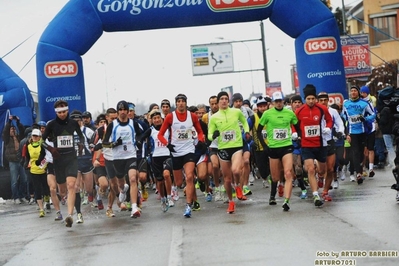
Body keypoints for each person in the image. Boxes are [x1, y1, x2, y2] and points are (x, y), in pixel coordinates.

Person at [158, 93, 205, 218]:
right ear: (176, 103)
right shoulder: (170, 117)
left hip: (189, 150)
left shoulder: (192, 116)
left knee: (190, 177)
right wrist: (167, 145)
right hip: (175, 152)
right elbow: (160, 135)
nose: (180, 103)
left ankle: (189, 205)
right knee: (179, 183)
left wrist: (200, 140)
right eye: (178, 101)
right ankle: (187, 189)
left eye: (182, 101)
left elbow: (200, 131)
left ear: (186, 103)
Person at [41, 100, 85, 227]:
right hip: (58, 160)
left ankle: (70, 215)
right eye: (59, 112)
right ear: (56, 112)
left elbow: (81, 136)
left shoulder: (73, 123)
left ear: (68, 110)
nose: (62, 114)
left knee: (72, 186)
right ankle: (64, 200)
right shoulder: (51, 125)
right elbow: (41, 142)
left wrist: (81, 144)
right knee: (62, 190)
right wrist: (51, 149)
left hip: (71, 158)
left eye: (64, 111)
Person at [208, 91, 251, 214]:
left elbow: (244, 122)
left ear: (229, 101)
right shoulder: (214, 117)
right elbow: (209, 134)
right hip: (223, 148)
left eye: (226, 98)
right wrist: (213, 136)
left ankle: (237, 186)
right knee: (226, 179)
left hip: (237, 146)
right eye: (221, 99)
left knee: (236, 170)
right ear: (218, 101)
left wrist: (247, 132)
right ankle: (231, 201)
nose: (224, 101)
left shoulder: (236, 112)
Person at [256, 91, 298, 211]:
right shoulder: (267, 114)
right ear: (273, 103)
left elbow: (297, 126)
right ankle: (275, 190)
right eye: (277, 101)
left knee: (288, 173)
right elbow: (259, 131)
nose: (279, 104)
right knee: (274, 177)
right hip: (273, 148)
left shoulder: (290, 113)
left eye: (281, 101)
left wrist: (297, 136)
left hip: (286, 146)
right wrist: (265, 146)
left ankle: (286, 201)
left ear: (283, 101)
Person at [102, 100, 143, 219]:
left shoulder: (133, 123)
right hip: (117, 157)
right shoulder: (113, 125)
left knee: (132, 179)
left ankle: (134, 207)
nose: (123, 112)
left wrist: (139, 141)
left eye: (125, 110)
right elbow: (104, 143)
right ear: (118, 111)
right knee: (120, 183)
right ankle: (123, 190)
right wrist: (113, 144)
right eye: (120, 110)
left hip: (130, 155)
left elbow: (140, 134)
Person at [295, 84, 333, 207]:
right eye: (308, 99)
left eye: (313, 98)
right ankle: (316, 194)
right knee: (310, 169)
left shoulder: (322, 108)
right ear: (305, 99)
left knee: (322, 170)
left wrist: (328, 127)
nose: (311, 101)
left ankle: (320, 176)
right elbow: (293, 124)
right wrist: (295, 133)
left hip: (321, 144)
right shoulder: (299, 111)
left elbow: (329, 120)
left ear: (315, 98)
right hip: (306, 145)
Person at [342, 85, 376, 184]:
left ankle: (360, 171)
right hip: (352, 132)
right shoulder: (346, 104)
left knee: (362, 153)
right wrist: (346, 131)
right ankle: (358, 174)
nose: (353, 93)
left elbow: (373, 115)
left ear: (358, 93)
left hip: (363, 131)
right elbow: (343, 116)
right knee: (355, 152)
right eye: (351, 91)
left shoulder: (364, 104)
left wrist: (365, 119)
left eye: (355, 91)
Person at [316, 92, 345, 201]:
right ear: (318, 101)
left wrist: (340, 132)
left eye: (325, 100)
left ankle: (325, 191)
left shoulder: (333, 112)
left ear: (328, 101)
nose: (323, 102)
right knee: (322, 169)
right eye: (321, 100)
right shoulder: (315, 110)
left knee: (331, 168)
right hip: (318, 143)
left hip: (329, 141)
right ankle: (319, 175)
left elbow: (339, 123)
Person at [232, 92, 254, 196]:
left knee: (246, 161)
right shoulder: (230, 111)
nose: (238, 103)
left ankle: (245, 185)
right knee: (239, 166)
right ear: (233, 102)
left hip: (245, 140)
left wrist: (249, 132)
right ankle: (239, 186)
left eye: (240, 101)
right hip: (235, 141)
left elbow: (253, 119)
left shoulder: (247, 110)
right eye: (236, 101)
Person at [2, 115, 27, 204]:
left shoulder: (19, 137)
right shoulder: (7, 139)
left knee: (24, 179)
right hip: (12, 161)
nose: (13, 130)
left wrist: (18, 122)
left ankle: (22, 195)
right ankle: (15, 197)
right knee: (14, 180)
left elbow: (22, 131)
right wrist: (9, 122)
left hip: (20, 160)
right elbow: (5, 131)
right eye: (11, 129)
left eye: (14, 129)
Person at [202, 95, 223, 201]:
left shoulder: (224, 114)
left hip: (225, 145)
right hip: (212, 146)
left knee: (224, 170)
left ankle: (227, 186)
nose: (214, 106)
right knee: (214, 167)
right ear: (209, 105)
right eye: (212, 104)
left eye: (216, 103)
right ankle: (217, 188)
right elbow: (204, 131)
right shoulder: (206, 117)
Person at [24, 129, 48, 218]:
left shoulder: (43, 145)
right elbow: (27, 157)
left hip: (43, 169)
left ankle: (47, 198)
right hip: (34, 170)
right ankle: (41, 209)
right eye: (33, 136)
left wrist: (45, 165)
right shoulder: (28, 146)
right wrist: (26, 164)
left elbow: (46, 155)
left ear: (39, 137)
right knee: (37, 189)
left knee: (45, 187)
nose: (34, 137)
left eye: (36, 136)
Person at [360, 86, 377, 177]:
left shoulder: (371, 101)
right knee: (364, 150)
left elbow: (374, 114)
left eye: (364, 92)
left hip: (371, 128)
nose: (362, 94)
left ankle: (371, 168)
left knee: (371, 148)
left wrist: (367, 119)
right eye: (361, 92)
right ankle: (362, 168)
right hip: (362, 128)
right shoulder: (358, 102)